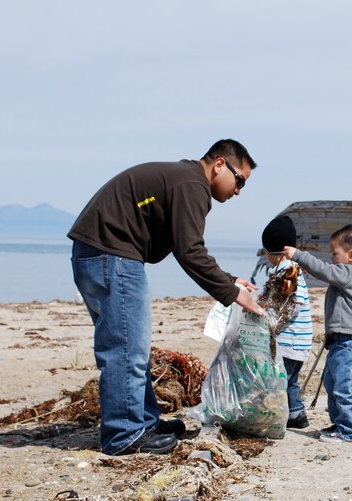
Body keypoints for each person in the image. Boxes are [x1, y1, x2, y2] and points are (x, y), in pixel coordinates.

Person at [68, 139, 265, 456]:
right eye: (239, 180)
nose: (239, 190)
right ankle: (124, 436)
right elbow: (189, 251)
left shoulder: (183, 179)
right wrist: (233, 294)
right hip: (112, 256)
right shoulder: (191, 185)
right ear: (218, 164)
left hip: (99, 254)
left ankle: (143, 422)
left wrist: (229, 280)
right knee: (125, 350)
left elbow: (183, 245)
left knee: (132, 346)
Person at [282, 223, 352, 443]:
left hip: (351, 342)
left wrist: (298, 255)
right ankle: (340, 423)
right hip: (343, 341)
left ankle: (350, 430)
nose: (332, 258)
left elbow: (324, 270)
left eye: (335, 254)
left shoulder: (351, 272)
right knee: (332, 382)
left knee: (344, 387)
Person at [253, 215, 313, 429]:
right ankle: (295, 414)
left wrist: (271, 319)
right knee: (289, 380)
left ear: (270, 252)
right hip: (299, 341)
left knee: (281, 380)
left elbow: (292, 303)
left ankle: (290, 415)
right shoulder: (292, 269)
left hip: (291, 342)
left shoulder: (287, 272)